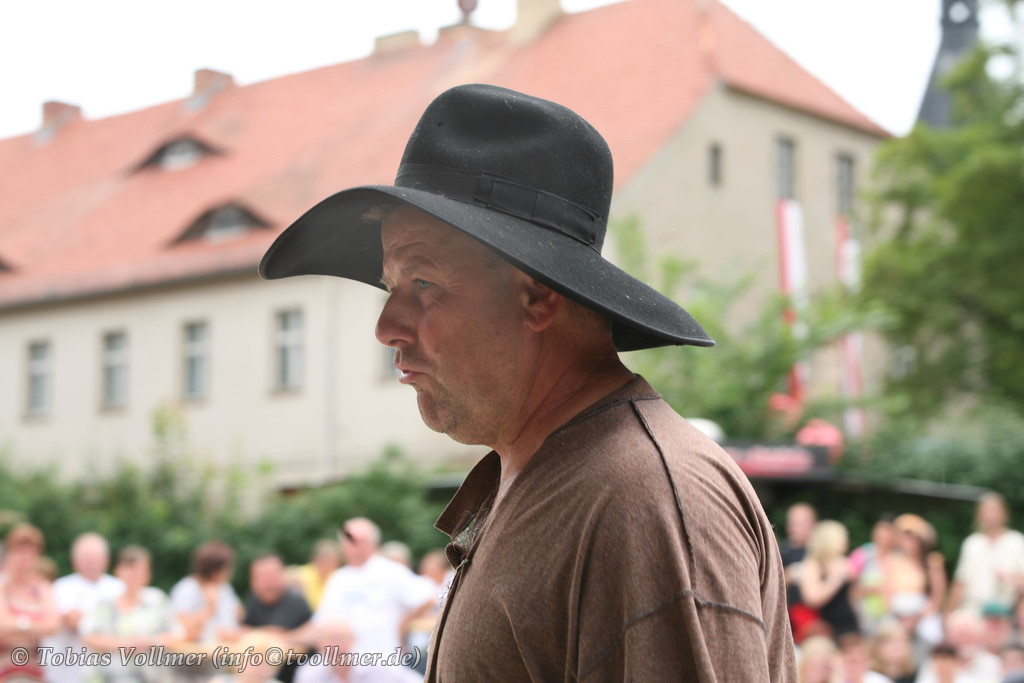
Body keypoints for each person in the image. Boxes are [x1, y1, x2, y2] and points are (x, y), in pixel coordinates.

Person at [259, 83, 797, 680]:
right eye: (392, 288)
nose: (386, 327)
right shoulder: (562, 473)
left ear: (537, 295)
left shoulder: (644, 500)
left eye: (423, 283)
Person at [296, 518, 432, 683]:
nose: (352, 546)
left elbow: (427, 597)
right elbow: (320, 623)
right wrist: (286, 638)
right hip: (345, 668)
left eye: (358, 541)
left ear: (373, 543)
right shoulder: (339, 578)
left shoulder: (389, 571)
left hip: (384, 664)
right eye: (348, 540)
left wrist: (402, 625)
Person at [80, 545, 180, 682]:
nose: (134, 574)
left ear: (148, 574)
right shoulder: (104, 604)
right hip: (110, 676)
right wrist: (123, 645)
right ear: (118, 571)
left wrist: (149, 642)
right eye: (129, 569)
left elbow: (177, 635)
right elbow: (88, 637)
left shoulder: (157, 600)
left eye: (139, 569)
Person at [46, 532, 125, 683]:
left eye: (95, 557)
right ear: (74, 560)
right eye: (85, 556)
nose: (90, 561)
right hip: (68, 673)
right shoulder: (61, 588)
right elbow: (73, 621)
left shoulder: (119, 587)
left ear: (106, 560)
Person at [242, 552, 313, 683]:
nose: (267, 581)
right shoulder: (255, 600)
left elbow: (275, 635)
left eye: (271, 575)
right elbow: (243, 629)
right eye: (262, 576)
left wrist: (254, 635)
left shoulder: (294, 600)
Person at [0, 523, 60, 677]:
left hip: (35, 670)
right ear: (9, 554)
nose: (25, 558)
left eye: (30, 553)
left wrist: (17, 625)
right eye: (19, 552)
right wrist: (34, 626)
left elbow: (53, 626)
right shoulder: (2, 587)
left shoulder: (43, 589)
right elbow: (2, 626)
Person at [948, 493, 1024, 615]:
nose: (991, 516)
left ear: (1005, 514)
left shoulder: (1016, 541)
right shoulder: (971, 543)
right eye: (986, 512)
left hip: (1007, 610)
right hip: (973, 608)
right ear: (978, 516)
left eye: (994, 511)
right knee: (958, 622)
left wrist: (1009, 577)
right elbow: (960, 582)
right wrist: (948, 613)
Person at [169, 540, 243, 644]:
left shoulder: (225, 587)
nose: (231, 572)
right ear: (215, 570)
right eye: (228, 567)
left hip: (227, 647)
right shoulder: (186, 589)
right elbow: (183, 630)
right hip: (197, 651)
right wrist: (210, 607)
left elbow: (238, 615)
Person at [800, 520, 860, 642]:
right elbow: (812, 598)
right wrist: (836, 578)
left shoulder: (844, 562)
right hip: (824, 627)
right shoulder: (813, 565)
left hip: (849, 626)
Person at [290, 539, 341, 612]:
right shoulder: (305, 574)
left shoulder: (336, 576)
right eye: (330, 562)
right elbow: (289, 574)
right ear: (317, 560)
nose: (336, 565)